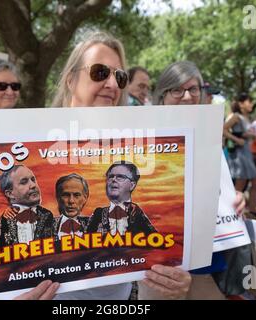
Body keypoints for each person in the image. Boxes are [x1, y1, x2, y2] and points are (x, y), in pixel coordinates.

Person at [48, 31, 191, 300]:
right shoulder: (29, 143)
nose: (113, 84)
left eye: (120, 77)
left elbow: (159, 252)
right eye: (100, 72)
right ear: (70, 79)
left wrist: (221, 205)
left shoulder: (141, 149)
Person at [153, 60, 247, 299]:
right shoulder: (143, 136)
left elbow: (222, 188)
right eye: (177, 90)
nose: (187, 96)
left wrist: (236, 199)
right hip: (160, 262)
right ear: (162, 96)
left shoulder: (211, 136)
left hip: (206, 258)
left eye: (193, 89)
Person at [87, 161, 157, 236]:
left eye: (120, 177)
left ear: (132, 185)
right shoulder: (98, 214)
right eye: (110, 177)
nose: (113, 180)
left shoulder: (136, 213)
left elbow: (157, 240)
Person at [223, 93, 256, 221]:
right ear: (241, 103)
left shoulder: (246, 118)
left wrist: (248, 136)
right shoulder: (236, 117)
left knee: (255, 181)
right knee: (240, 184)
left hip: (246, 152)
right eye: (248, 101)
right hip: (239, 154)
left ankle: (252, 210)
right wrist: (237, 139)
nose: (251, 104)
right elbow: (223, 129)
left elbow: (241, 133)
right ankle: (231, 213)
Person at [0, 165, 54, 247]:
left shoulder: (47, 215)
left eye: (33, 180)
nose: (33, 185)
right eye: (24, 182)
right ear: (10, 194)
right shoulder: (6, 218)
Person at [53, 174, 90, 241]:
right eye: (66, 195)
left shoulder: (96, 224)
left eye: (76, 195)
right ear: (58, 197)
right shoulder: (45, 226)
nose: (71, 201)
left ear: (85, 198)